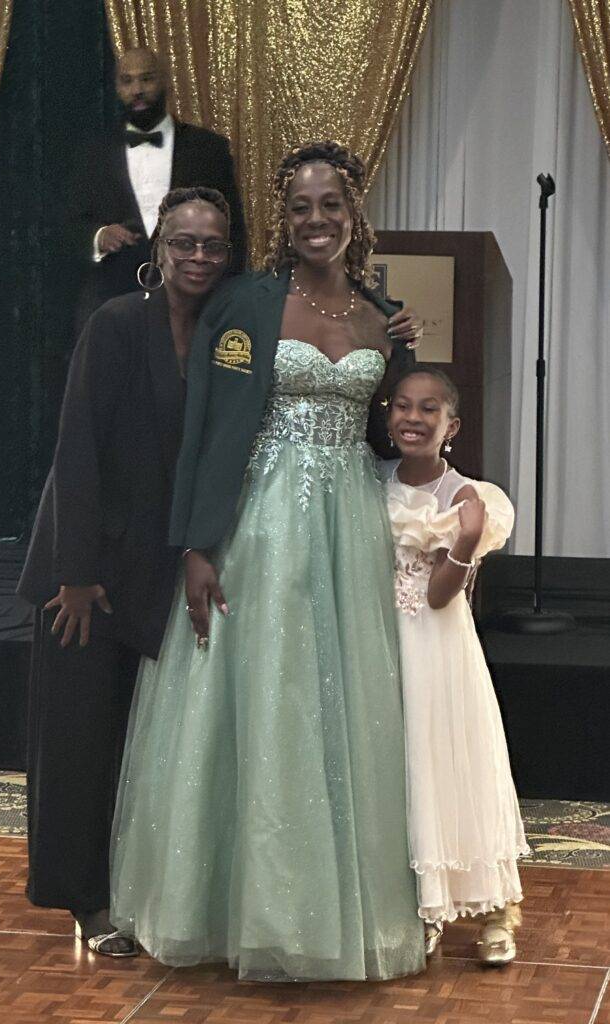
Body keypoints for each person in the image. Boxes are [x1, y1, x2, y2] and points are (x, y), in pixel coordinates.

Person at [110, 140, 426, 981]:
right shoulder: (245, 303)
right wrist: (196, 543)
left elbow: (391, 431)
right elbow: (207, 427)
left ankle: (334, 911)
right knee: (265, 701)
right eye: (299, 207)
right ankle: (241, 910)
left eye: (331, 205)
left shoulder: (380, 315)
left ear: (354, 213)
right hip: (261, 524)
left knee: (341, 706)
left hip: (349, 528)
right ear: (283, 219)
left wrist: (406, 356)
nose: (316, 220)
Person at [17, 187, 234, 956]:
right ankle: (84, 900)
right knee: (77, 743)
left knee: (130, 744)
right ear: (158, 249)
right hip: (83, 574)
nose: (198, 256)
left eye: (212, 244)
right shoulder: (116, 323)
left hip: (152, 567)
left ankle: (130, 888)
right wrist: (75, 574)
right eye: (184, 242)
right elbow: (76, 447)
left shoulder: (222, 336)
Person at [382, 367, 529, 966]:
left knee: (450, 761)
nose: (413, 418)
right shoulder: (371, 481)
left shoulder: (468, 497)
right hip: (380, 643)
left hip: (437, 646)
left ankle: (496, 910)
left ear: (453, 425)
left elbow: (441, 597)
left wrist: (465, 541)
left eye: (429, 409)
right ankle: (421, 906)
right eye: (402, 406)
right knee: (399, 770)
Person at [73, 47, 246, 324]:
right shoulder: (93, 153)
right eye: (127, 81)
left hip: (194, 309)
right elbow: (68, 224)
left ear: (165, 81)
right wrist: (99, 236)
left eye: (146, 79)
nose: (137, 90)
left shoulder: (209, 149)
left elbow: (233, 231)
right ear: (116, 87)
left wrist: (224, 306)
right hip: (111, 308)